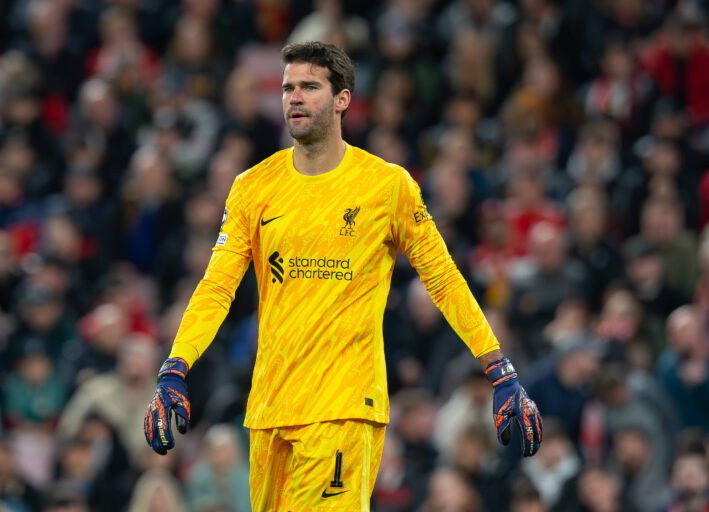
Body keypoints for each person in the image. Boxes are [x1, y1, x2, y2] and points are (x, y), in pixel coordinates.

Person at [144, 41, 542, 511]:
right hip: (270, 409)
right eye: (289, 87)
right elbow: (216, 287)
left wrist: (498, 368)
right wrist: (176, 366)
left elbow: (445, 279)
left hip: (344, 407)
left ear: (342, 99)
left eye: (309, 87)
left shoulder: (387, 187)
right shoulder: (252, 187)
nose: (294, 97)